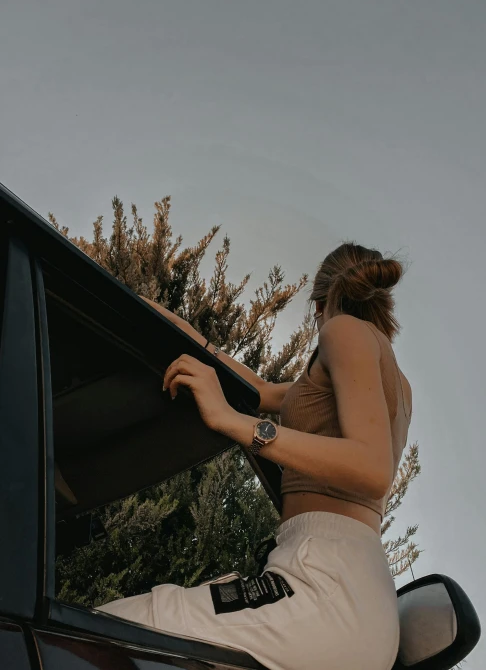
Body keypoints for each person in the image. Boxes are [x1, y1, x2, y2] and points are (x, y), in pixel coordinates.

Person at [97, 242, 413, 670]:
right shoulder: (390, 376)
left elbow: (371, 468)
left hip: (325, 583)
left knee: (102, 631)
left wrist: (235, 423)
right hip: (347, 592)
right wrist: (153, 315)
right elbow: (256, 390)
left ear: (320, 304)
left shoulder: (343, 331)